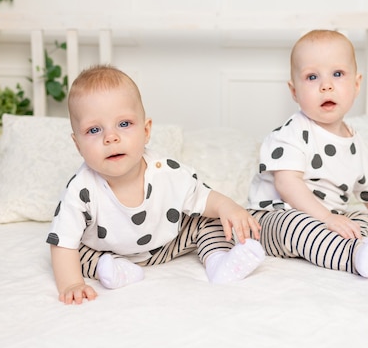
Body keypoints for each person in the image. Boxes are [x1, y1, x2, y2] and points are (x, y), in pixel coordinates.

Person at [47, 64, 265, 304]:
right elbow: (63, 241)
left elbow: (203, 197)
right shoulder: (81, 190)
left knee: (207, 221)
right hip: (106, 250)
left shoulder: (166, 171)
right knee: (72, 254)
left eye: (124, 124)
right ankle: (114, 270)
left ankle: (218, 261)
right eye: (94, 129)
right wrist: (72, 284)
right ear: (77, 144)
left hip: (168, 244)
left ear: (146, 130)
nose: (111, 137)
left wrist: (227, 207)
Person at [247, 29, 368, 278]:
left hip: (326, 218)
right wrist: (325, 217)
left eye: (337, 74)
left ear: (356, 84)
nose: (326, 86)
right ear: (294, 92)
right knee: (296, 225)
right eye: (312, 77)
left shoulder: (354, 141)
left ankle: (361, 245)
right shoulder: (292, 133)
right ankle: (353, 258)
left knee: (365, 220)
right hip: (274, 218)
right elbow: (286, 183)